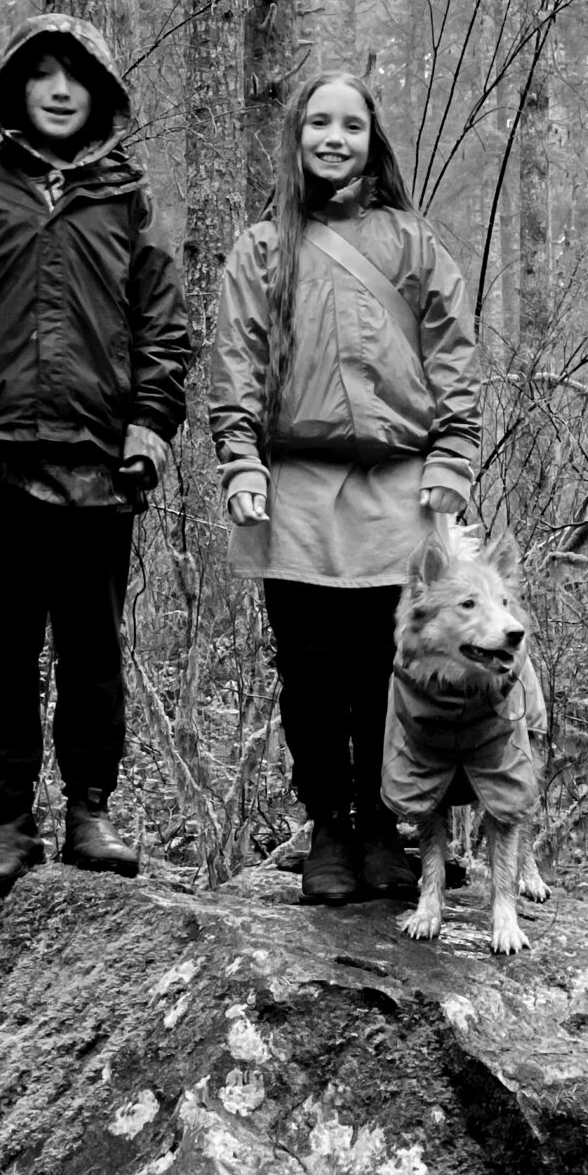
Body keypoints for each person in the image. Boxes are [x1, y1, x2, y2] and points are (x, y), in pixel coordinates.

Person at [0, 12, 190, 896]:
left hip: (102, 463)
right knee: (2, 646)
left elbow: (162, 329)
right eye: (43, 74)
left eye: (77, 76)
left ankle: (90, 812)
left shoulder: (127, 203)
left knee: (95, 646)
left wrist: (152, 422)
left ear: (100, 94)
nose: (60, 89)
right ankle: (9, 819)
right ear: (15, 91)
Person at [209, 69, 482, 904]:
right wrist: (240, 459)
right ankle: (327, 825)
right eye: (317, 124)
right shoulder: (263, 247)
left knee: (385, 670)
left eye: (351, 126)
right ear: (296, 140)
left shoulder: (413, 243)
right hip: (293, 488)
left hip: (401, 492)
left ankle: (380, 825)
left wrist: (453, 457)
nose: (334, 138)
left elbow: (453, 359)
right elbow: (237, 363)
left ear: (372, 140)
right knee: (310, 672)